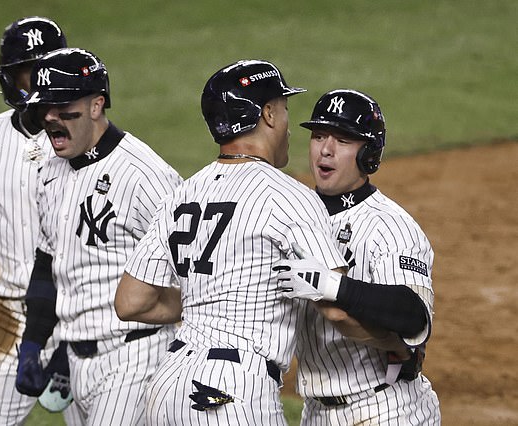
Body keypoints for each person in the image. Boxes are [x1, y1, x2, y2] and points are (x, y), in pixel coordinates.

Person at [114, 59, 348, 425]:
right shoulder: (287, 195)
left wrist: (208, 299)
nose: (288, 126)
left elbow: (130, 302)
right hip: (231, 392)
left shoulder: (183, 193)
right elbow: (337, 305)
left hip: (167, 384)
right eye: (284, 110)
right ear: (268, 114)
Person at [15, 47, 182, 425]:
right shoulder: (49, 170)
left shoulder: (144, 176)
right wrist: (33, 343)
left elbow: (193, 272)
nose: (50, 119)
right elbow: (48, 264)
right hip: (72, 363)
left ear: (96, 105)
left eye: (62, 107)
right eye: (45, 109)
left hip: (136, 358)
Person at [274, 89, 440, 424]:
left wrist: (333, 286)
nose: (326, 149)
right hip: (316, 413)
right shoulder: (293, 213)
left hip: (384, 409)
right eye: (319, 135)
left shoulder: (391, 227)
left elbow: (413, 314)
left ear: (369, 155)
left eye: (344, 140)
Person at [0, 16, 81, 425]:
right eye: (28, 70)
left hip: (82, 317)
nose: (38, 82)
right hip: (6, 319)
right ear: (10, 78)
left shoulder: (85, 139)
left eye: (47, 68)